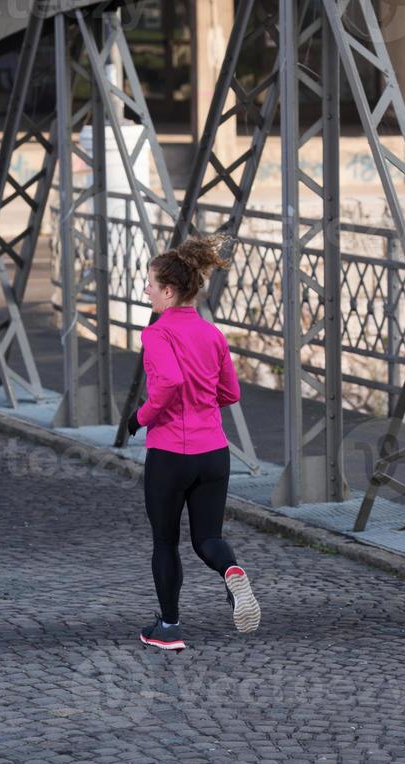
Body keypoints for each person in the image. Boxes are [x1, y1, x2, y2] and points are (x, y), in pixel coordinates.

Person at [126, 235, 261, 651]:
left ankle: (168, 627)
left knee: (165, 541)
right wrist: (202, 402)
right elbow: (230, 393)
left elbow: (168, 383)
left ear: (168, 290)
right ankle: (232, 573)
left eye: (149, 283)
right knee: (208, 539)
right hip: (213, 454)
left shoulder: (157, 335)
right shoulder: (212, 334)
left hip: (171, 454)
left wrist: (139, 417)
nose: (145, 290)